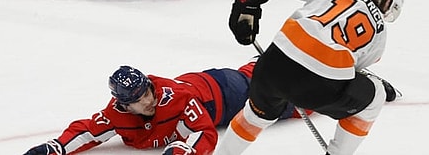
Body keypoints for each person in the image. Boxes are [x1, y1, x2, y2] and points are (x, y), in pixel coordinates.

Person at [216, 0, 405, 155]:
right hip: (321, 85)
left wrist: (251, 6)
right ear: (387, 1)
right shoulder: (380, 33)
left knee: (254, 117)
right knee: (376, 96)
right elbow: (354, 70)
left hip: (273, 64)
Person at [22, 60, 302, 155]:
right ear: (124, 104)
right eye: (138, 99)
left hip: (228, 93)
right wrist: (56, 147)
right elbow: (87, 130)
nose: (148, 100)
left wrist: (184, 150)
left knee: (300, 101)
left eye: (147, 92)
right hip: (210, 81)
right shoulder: (116, 115)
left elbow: (205, 132)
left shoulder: (174, 98)